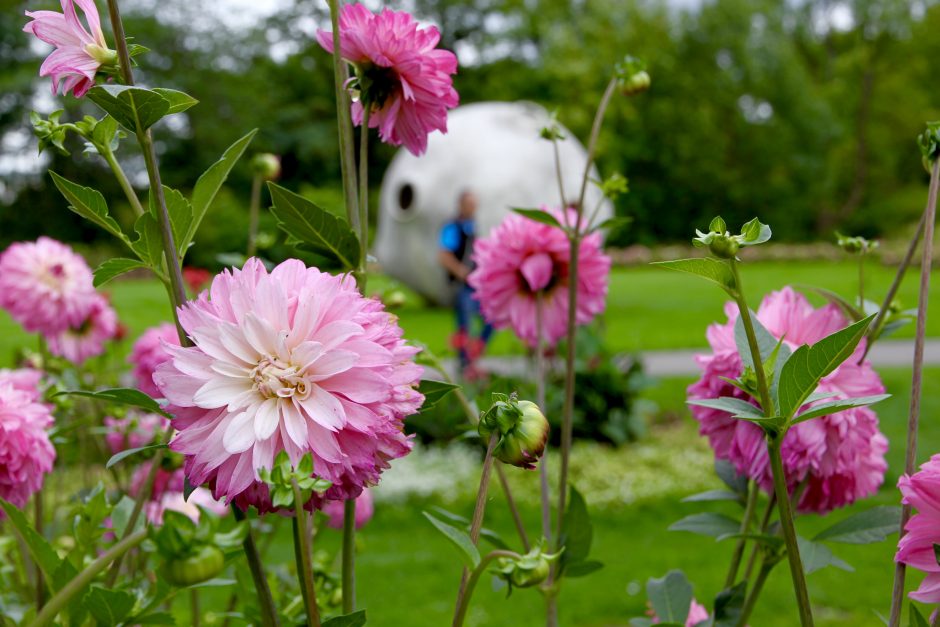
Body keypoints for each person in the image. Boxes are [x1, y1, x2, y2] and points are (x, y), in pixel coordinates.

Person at [438, 190, 493, 374]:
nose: (472, 207)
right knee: (465, 324)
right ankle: (464, 363)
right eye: (469, 204)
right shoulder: (453, 227)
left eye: (474, 204)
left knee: (491, 319)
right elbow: (444, 255)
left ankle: (474, 353)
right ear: (461, 205)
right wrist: (461, 272)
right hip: (463, 286)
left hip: (477, 285)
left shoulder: (474, 226)